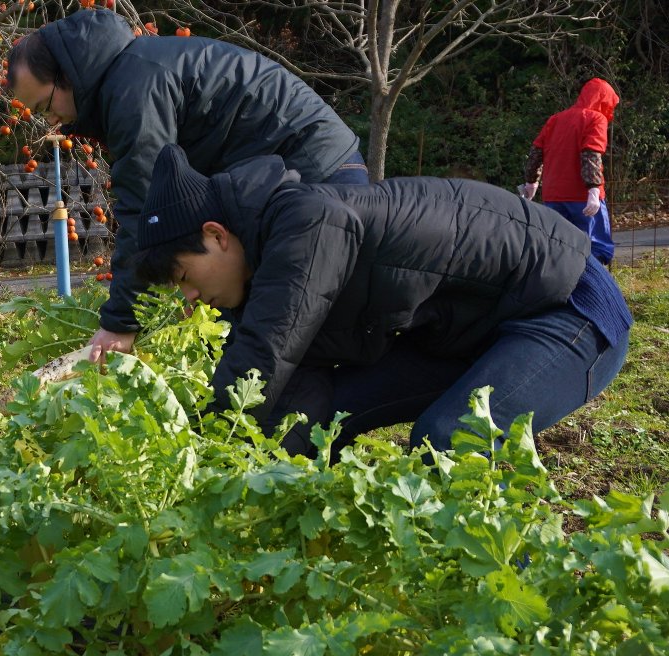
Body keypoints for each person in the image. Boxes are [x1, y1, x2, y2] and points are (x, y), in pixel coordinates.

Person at [135, 144, 632, 457]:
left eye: (183, 276)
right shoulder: (258, 270)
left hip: (569, 309)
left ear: (217, 235)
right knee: (324, 419)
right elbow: (293, 395)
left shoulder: (306, 223)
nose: (191, 296)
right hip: (472, 335)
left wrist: (202, 454)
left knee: (448, 441)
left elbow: (267, 351)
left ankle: (525, 601)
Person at [5, 9, 369, 363]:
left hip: (316, 167)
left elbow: (145, 212)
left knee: (295, 326)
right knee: (253, 326)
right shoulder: (129, 74)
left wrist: (120, 322)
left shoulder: (133, 89)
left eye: (45, 105)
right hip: (294, 166)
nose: (51, 121)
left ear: (68, 75)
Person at [521, 78, 620, 266]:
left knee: (558, 247)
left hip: (553, 196)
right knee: (597, 250)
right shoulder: (596, 118)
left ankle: (561, 290)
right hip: (582, 196)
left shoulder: (555, 119)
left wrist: (531, 182)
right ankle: (591, 290)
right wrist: (593, 189)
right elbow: (591, 154)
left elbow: (536, 153)